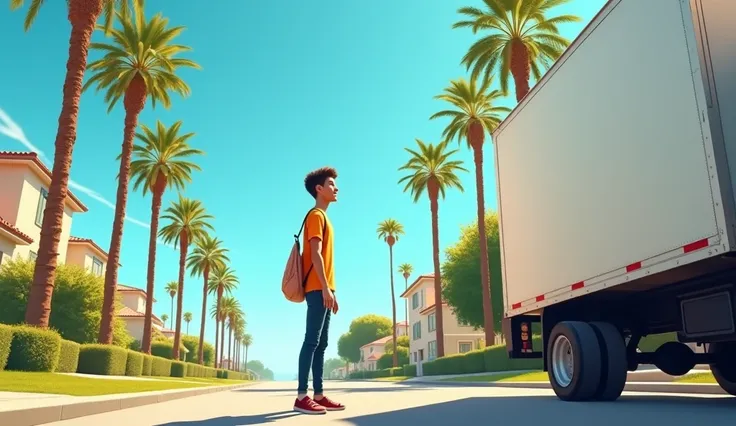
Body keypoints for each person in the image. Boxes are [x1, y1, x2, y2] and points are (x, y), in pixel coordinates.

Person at [293, 167, 346, 415]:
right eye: (332, 184)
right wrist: (325, 288)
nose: (336, 188)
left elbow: (323, 257)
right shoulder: (316, 215)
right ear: (319, 189)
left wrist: (332, 291)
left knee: (321, 344)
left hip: (325, 289)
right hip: (317, 288)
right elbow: (314, 254)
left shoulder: (326, 219)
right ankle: (301, 396)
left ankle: (319, 394)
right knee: (311, 341)